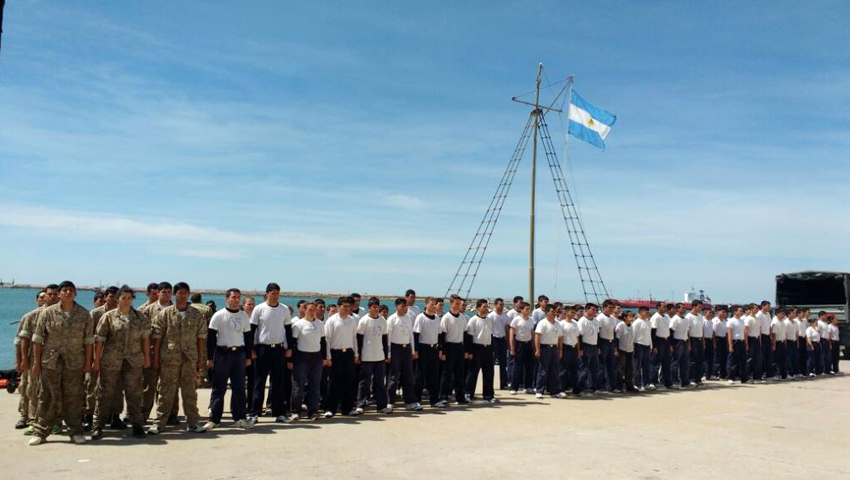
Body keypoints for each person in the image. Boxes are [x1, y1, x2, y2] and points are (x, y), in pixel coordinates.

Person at [28, 281, 93, 446]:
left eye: (71, 290)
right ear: (59, 294)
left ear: (75, 293)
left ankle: (75, 432)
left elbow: (88, 342)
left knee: (74, 398)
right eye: (65, 290)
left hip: (74, 362)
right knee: (46, 396)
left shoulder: (84, 314)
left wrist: (88, 364)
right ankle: (40, 432)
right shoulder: (48, 313)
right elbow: (37, 340)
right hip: (51, 362)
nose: (68, 293)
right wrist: (36, 363)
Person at [147, 282, 207, 435]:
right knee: (165, 392)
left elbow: (201, 338)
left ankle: (193, 423)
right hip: (169, 358)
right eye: (179, 293)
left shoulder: (196, 314)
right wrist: (156, 359)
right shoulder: (165, 314)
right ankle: (159, 423)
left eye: (185, 293)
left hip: (189, 359)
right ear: (175, 295)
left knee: (190, 392)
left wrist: (201, 358)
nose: (182, 295)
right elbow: (158, 337)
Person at [91, 285, 150, 440]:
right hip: (111, 360)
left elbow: (145, 339)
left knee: (134, 393)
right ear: (117, 299)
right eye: (123, 297)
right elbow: (99, 341)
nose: (126, 300)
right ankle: (98, 425)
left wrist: (147, 359)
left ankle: (137, 425)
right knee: (104, 393)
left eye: (129, 298)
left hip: (133, 360)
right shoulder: (108, 317)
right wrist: (96, 361)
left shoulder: (140, 317)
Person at [204, 288, 255, 431]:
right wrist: (209, 358)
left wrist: (248, 356)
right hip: (222, 354)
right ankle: (214, 419)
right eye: (233, 297)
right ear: (227, 299)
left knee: (239, 388)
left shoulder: (244, 316)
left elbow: (248, 338)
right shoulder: (219, 315)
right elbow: (211, 339)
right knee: (218, 388)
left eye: (238, 297)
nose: (236, 300)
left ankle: (239, 418)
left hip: (239, 354)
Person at [248, 283, 293, 423]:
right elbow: (252, 330)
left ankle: (279, 412)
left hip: (279, 349)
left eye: (277, 293)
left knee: (278, 382)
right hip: (262, 349)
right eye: (273, 293)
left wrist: (289, 348)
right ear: (267, 294)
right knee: (259, 382)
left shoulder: (284, 309)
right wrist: (252, 349)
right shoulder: (259, 309)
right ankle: (255, 412)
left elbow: (288, 330)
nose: (275, 296)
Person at [14, 287, 53, 430]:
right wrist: (20, 360)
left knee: (45, 391)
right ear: (37, 300)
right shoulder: (30, 316)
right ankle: (25, 416)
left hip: (50, 360)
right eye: (41, 297)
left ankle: (43, 418)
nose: (44, 299)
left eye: (46, 296)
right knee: (28, 388)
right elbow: (19, 341)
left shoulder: (56, 314)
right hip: (31, 360)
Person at [85, 285, 119, 432]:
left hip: (116, 358)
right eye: (111, 296)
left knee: (117, 389)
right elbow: (89, 338)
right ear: (105, 297)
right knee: (93, 388)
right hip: (97, 356)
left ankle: (115, 416)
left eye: (117, 296)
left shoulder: (124, 313)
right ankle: (88, 416)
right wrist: (92, 358)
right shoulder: (95, 314)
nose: (114, 299)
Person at [139, 282, 173, 421]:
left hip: (171, 353)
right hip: (152, 353)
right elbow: (141, 334)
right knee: (148, 386)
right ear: (158, 293)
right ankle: (143, 415)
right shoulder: (147, 310)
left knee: (169, 386)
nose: (166, 294)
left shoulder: (176, 309)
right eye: (163, 292)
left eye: (169, 292)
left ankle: (170, 414)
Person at [290, 302, 327, 421]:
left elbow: (323, 342)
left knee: (315, 386)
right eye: (310, 310)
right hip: (302, 357)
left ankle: (313, 411)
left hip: (316, 357)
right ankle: (295, 411)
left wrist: (324, 358)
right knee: (298, 386)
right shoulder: (298, 324)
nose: (312, 312)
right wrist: (291, 360)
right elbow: (293, 344)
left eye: (314, 310)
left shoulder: (320, 324)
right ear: (304, 310)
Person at [324, 296, 360, 417]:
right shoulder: (331, 321)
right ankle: (330, 409)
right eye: (344, 306)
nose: (346, 309)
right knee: (334, 382)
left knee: (349, 382)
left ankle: (347, 409)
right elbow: (327, 340)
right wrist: (328, 357)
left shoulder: (352, 320)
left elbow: (354, 338)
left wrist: (356, 354)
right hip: (335, 353)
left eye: (348, 306)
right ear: (338, 307)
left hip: (349, 353)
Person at [356, 297, 391, 414]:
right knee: (364, 382)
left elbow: (385, 339)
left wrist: (386, 355)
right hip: (367, 356)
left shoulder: (383, 321)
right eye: (373, 307)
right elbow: (359, 339)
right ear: (369, 308)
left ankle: (381, 406)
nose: (376, 309)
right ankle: (361, 404)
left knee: (380, 382)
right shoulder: (364, 321)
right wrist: (359, 355)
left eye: (377, 307)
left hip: (379, 356)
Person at [387, 298, 422, 411]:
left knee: (409, 376)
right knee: (394, 377)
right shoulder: (392, 319)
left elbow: (411, 335)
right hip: (395, 348)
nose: (405, 308)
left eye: (406, 306)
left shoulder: (408, 318)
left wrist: (412, 351)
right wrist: (388, 354)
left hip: (406, 348)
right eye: (402, 306)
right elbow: (388, 338)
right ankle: (390, 401)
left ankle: (410, 401)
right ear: (397, 306)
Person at [465, 299, 496, 403]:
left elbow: (491, 335)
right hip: (476, 348)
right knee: (473, 373)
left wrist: (492, 349)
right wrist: (469, 352)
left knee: (489, 373)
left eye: (487, 307)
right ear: (478, 308)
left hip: (487, 348)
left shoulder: (489, 320)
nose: (486, 309)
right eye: (484, 307)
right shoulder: (473, 320)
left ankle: (488, 395)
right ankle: (468, 394)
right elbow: (469, 337)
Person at [439, 295, 468, 405]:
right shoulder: (446, 317)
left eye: (459, 303)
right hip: (449, 346)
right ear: (451, 304)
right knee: (447, 373)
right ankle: (443, 396)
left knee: (459, 374)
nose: (458, 305)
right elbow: (442, 335)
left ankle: (460, 397)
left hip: (459, 347)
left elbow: (465, 334)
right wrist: (442, 351)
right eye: (456, 303)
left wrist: (466, 350)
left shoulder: (462, 318)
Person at [413, 297, 442, 407]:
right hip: (423, 348)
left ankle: (434, 400)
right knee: (419, 376)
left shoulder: (437, 318)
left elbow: (439, 335)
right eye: (431, 304)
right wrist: (415, 350)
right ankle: (416, 400)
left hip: (434, 349)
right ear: (426, 305)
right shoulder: (420, 318)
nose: (433, 306)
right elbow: (416, 335)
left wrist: (439, 350)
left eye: (435, 304)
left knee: (434, 376)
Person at [534, 305, 566, 399]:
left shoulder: (557, 324)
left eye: (555, 311)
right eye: (552, 311)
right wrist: (538, 349)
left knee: (554, 371)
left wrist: (560, 350)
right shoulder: (542, 323)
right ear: (547, 313)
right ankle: (539, 390)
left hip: (554, 348)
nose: (554, 313)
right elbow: (537, 336)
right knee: (543, 370)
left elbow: (560, 337)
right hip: (545, 348)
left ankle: (554, 391)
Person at [508, 302, 535, 394]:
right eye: (526, 309)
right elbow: (511, 335)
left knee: (529, 367)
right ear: (521, 310)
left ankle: (527, 386)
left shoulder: (531, 320)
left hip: (528, 345)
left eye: (529, 309)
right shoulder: (516, 320)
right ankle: (514, 387)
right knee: (517, 367)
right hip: (519, 344)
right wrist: (512, 348)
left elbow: (532, 333)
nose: (528, 311)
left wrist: (534, 346)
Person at [577, 303, 601, 395]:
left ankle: (593, 387)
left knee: (594, 369)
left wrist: (598, 347)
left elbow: (597, 334)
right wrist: (581, 349)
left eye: (596, 310)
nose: (595, 311)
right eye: (593, 309)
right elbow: (579, 336)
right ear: (586, 310)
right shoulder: (582, 321)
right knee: (583, 368)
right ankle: (581, 388)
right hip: (586, 346)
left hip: (594, 346)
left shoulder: (595, 321)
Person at [487, 298, 510, 390]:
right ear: (495, 305)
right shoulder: (491, 316)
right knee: (491, 363)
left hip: (502, 340)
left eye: (503, 304)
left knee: (503, 363)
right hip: (494, 339)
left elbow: (507, 328)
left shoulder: (505, 316)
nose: (502, 306)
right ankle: (490, 384)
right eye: (500, 304)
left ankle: (503, 383)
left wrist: (508, 341)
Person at [558, 305, 581, 396]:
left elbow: (577, 338)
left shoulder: (575, 323)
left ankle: (576, 389)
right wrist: (560, 350)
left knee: (574, 370)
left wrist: (578, 350)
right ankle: (561, 389)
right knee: (563, 370)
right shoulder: (561, 324)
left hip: (573, 348)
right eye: (571, 312)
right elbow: (560, 338)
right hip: (565, 347)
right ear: (566, 312)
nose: (573, 314)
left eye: (574, 313)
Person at [596, 300, 618, 392]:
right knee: (601, 366)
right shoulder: (600, 318)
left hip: (611, 342)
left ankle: (611, 386)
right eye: (609, 307)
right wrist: (598, 347)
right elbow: (598, 332)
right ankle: (600, 386)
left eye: (612, 307)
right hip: (603, 342)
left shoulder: (613, 318)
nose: (611, 309)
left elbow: (614, 332)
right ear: (604, 307)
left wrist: (615, 346)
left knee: (611, 366)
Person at [650, 302, 673, 390]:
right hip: (658, 341)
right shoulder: (656, 317)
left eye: (665, 307)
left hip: (666, 340)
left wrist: (670, 344)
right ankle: (653, 381)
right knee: (655, 362)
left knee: (666, 362)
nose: (665, 308)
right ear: (658, 307)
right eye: (663, 307)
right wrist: (654, 346)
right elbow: (653, 332)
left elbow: (669, 331)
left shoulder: (666, 317)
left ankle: (667, 382)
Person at [726, 306, 749, 384]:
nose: (742, 312)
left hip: (742, 341)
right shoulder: (731, 321)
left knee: (743, 361)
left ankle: (744, 378)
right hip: (735, 341)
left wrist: (746, 343)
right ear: (735, 312)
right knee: (732, 361)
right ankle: (731, 377)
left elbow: (744, 333)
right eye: (740, 311)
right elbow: (730, 334)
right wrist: (730, 345)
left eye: (742, 311)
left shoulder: (742, 321)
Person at [615, 311, 636, 392]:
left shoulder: (631, 326)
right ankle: (619, 386)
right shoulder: (620, 325)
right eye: (629, 316)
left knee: (629, 368)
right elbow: (617, 338)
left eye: (632, 315)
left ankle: (629, 385)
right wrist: (616, 349)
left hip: (630, 349)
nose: (631, 317)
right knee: (621, 368)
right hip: (622, 349)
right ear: (625, 317)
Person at [669, 303, 690, 388]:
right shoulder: (675, 319)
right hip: (677, 341)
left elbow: (688, 331)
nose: (684, 309)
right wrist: (671, 345)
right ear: (677, 309)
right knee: (675, 362)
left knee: (685, 362)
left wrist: (688, 343)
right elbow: (671, 332)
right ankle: (674, 381)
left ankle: (684, 381)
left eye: (685, 308)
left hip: (685, 341)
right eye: (682, 308)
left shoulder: (686, 319)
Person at [685, 300, 705, 386]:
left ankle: (698, 378)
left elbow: (702, 329)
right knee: (692, 361)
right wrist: (689, 344)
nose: (700, 308)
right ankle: (691, 378)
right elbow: (687, 331)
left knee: (700, 360)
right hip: (692, 340)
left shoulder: (700, 316)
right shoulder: (688, 317)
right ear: (693, 306)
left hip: (700, 339)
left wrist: (703, 342)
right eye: (699, 306)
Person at [744, 304, 762, 383]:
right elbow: (746, 332)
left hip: (757, 339)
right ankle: (747, 377)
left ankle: (756, 377)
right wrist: (747, 344)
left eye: (757, 308)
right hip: (750, 339)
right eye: (755, 308)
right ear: (751, 309)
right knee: (749, 359)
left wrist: (760, 341)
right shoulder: (748, 319)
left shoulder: (757, 318)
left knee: (757, 359)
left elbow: (759, 330)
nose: (757, 309)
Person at [770, 308, 788, 380]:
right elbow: (774, 335)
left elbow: (784, 334)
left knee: (783, 359)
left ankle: (783, 375)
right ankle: (775, 374)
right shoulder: (775, 323)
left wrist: (785, 343)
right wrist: (773, 345)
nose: (783, 315)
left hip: (782, 342)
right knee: (775, 359)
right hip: (777, 343)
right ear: (777, 314)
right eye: (781, 313)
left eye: (783, 314)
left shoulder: (783, 322)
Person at [712, 307, 729, 380]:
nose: (724, 313)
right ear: (718, 312)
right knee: (717, 358)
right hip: (717, 339)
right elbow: (713, 333)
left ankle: (723, 374)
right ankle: (715, 373)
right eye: (722, 311)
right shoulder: (715, 320)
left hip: (724, 339)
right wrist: (714, 343)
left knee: (724, 357)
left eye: (725, 312)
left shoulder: (724, 321)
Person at [784, 307, 799, 379]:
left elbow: (796, 333)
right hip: (788, 342)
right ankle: (787, 373)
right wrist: (786, 344)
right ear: (788, 315)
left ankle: (794, 373)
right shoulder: (786, 322)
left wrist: (797, 342)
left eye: (794, 313)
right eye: (793, 313)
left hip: (794, 341)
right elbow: (785, 335)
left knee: (794, 358)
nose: (794, 314)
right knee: (788, 359)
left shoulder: (795, 322)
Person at [702, 310, 715, 380]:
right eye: (709, 312)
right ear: (705, 313)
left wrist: (714, 342)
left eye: (711, 313)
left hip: (710, 340)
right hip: (705, 340)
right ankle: (704, 374)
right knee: (705, 358)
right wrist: (703, 343)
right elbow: (702, 332)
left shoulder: (711, 321)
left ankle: (709, 374)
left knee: (711, 358)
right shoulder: (703, 321)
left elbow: (712, 332)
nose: (710, 314)